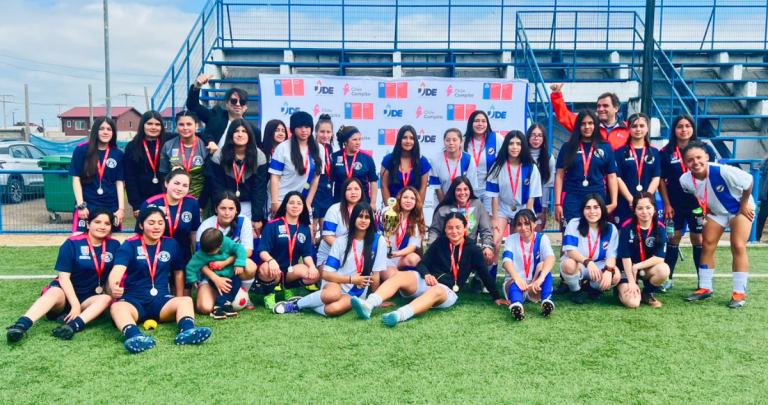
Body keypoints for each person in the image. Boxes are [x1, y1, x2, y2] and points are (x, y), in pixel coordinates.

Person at [348, 212, 509, 326]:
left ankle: (399, 315)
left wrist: (496, 296)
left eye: (458, 227)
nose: (454, 231)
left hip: (446, 291)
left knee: (436, 291)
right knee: (400, 276)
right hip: (426, 282)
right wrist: (426, 275)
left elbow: (484, 273)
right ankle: (369, 304)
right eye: (450, 228)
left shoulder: (473, 249)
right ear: (445, 229)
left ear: (465, 228)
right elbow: (421, 263)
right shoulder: (439, 243)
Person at [6, 209, 120, 343]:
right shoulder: (72, 243)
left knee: (105, 299)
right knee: (54, 291)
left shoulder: (114, 245)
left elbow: (113, 275)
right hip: (65, 295)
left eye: (107, 223)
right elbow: (63, 277)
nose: (102, 226)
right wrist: (75, 305)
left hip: (88, 298)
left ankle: (71, 326)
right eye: (97, 222)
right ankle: (21, 325)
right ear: (88, 224)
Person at [109, 207, 212, 354]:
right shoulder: (129, 245)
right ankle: (136, 337)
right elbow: (117, 270)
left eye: (160, 222)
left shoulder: (171, 244)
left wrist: (179, 296)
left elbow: (178, 273)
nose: (156, 227)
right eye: (151, 223)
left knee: (186, 301)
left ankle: (188, 331)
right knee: (117, 308)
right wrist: (114, 284)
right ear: (141, 225)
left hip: (161, 300)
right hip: (133, 301)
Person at [272, 203, 387, 317]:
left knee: (333, 309)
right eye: (360, 216)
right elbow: (326, 274)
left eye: (367, 217)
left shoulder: (379, 241)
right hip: (335, 282)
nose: (363, 220)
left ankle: (308, 303)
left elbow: (376, 273)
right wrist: (351, 279)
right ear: (353, 218)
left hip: (356, 291)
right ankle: (296, 305)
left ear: (371, 220)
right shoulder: (341, 241)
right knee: (333, 295)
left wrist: (375, 299)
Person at [680, 141, 755, 308]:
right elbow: (697, 194)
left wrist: (744, 204)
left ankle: (739, 293)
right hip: (717, 213)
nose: (695, 162)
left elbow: (748, 181)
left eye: (699, 157)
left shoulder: (722, 170)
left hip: (738, 210)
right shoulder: (685, 180)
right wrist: (705, 209)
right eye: (690, 160)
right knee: (706, 244)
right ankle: (705, 288)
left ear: (706, 156)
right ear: (685, 162)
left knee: (737, 245)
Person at [658, 114, 717, 291]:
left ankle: (703, 281)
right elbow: (661, 180)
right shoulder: (666, 152)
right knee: (672, 237)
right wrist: (667, 204)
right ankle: (668, 278)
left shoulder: (706, 149)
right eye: (680, 126)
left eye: (688, 126)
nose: (684, 130)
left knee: (698, 238)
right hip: (674, 204)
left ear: (693, 129)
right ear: (674, 130)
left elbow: (712, 176)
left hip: (698, 203)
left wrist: (709, 203)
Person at [486, 130, 542, 274]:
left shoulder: (531, 167)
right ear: (506, 146)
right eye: (511, 143)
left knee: (520, 240)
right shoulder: (497, 166)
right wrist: (495, 219)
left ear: (523, 146)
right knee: (495, 242)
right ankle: (487, 278)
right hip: (503, 208)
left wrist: (527, 219)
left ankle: (516, 275)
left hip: (524, 208)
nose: (515, 147)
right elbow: (494, 196)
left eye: (518, 143)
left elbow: (532, 197)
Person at [427, 177, 495, 289]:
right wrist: (432, 248)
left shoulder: (477, 205)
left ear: (470, 190)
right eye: (458, 190)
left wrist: (487, 246)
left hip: (469, 250)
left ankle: (478, 280)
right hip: (448, 251)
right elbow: (434, 231)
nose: (462, 193)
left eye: (465, 189)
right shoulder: (444, 208)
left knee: (488, 253)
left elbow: (486, 230)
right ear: (453, 191)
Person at [257, 192, 321, 310]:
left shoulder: (304, 229)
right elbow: (262, 250)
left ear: (303, 207)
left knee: (314, 275)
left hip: (290, 271)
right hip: (273, 268)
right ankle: (269, 295)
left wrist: (312, 267)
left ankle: (288, 288)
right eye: (291, 203)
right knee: (265, 268)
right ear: (285, 205)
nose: (295, 206)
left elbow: (306, 254)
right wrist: (271, 261)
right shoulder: (272, 225)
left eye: (299, 203)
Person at [554, 110, 618, 227]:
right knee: (570, 235)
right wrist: (557, 203)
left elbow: (612, 176)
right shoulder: (567, 147)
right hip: (572, 197)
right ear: (578, 126)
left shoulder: (605, 147)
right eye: (583, 124)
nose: (587, 127)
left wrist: (614, 203)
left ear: (596, 125)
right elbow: (559, 176)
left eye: (590, 123)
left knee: (595, 234)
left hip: (597, 196)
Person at [196, 190, 258, 310]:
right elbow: (200, 260)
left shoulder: (243, 221)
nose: (227, 213)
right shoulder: (206, 226)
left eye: (231, 208)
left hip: (233, 268)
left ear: (236, 210)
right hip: (211, 271)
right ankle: (219, 292)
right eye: (223, 208)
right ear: (216, 209)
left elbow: (248, 251)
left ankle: (243, 292)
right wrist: (216, 279)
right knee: (204, 308)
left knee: (250, 266)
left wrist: (226, 262)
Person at [206, 118, 268, 235]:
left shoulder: (259, 156)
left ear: (249, 134)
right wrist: (224, 209)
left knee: (248, 238)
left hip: (249, 204)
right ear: (230, 134)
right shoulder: (219, 156)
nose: (240, 135)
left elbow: (259, 190)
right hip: (226, 204)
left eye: (244, 131)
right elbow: (217, 188)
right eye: (236, 131)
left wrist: (257, 218)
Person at [559, 194, 620, 304]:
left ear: (602, 209)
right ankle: (576, 291)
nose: (592, 211)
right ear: (583, 210)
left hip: (599, 264)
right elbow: (570, 251)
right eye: (588, 208)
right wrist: (588, 262)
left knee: (616, 276)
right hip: (579, 264)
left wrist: (608, 270)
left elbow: (611, 256)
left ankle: (592, 288)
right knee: (568, 264)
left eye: (596, 207)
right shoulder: (574, 224)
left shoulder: (611, 228)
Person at [137, 168, 200, 270]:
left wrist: (197, 257)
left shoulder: (192, 203)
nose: (180, 188)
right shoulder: (150, 203)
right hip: (155, 256)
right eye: (176, 183)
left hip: (182, 254)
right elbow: (139, 234)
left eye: (185, 185)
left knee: (182, 286)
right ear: (166, 183)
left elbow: (193, 233)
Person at [70, 117, 125, 234]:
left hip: (110, 205)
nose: (105, 132)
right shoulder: (82, 149)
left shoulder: (118, 153)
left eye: (109, 129)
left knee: (111, 244)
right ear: (95, 131)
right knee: (79, 240)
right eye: (101, 129)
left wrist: (121, 209)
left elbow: (120, 183)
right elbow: (76, 179)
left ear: (113, 133)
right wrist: (81, 206)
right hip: (87, 204)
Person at [616, 192, 670, 309]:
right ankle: (619, 290)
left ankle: (647, 293)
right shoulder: (626, 227)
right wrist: (631, 281)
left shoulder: (660, 228)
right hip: (626, 269)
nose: (644, 212)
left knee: (664, 269)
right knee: (633, 303)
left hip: (644, 269)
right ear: (634, 211)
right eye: (640, 208)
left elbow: (660, 258)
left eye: (648, 208)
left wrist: (637, 267)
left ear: (654, 209)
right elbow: (625, 257)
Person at [501, 209, 556, 321]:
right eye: (519, 224)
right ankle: (517, 307)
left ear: (535, 223)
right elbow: (507, 262)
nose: (523, 227)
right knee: (513, 283)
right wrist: (518, 279)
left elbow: (551, 258)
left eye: (527, 223)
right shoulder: (511, 239)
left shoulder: (542, 238)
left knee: (543, 266)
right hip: (515, 284)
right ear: (515, 227)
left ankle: (546, 302)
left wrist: (540, 279)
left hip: (535, 286)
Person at [268, 111, 323, 215]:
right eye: (299, 127)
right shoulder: (283, 148)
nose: (304, 130)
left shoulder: (319, 148)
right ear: (293, 129)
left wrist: (308, 202)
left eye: (307, 127)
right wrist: (275, 202)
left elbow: (316, 177)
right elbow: (274, 177)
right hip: (282, 200)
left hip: (301, 202)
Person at [186, 228, 247, 319]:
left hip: (230, 273)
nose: (208, 254)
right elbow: (191, 266)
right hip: (214, 276)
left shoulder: (227, 243)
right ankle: (217, 308)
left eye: (211, 252)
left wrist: (239, 263)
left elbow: (240, 249)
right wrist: (193, 278)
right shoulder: (203, 252)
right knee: (226, 287)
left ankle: (227, 304)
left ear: (220, 245)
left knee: (237, 282)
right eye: (207, 252)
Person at [187, 73, 257, 152]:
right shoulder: (215, 116)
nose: (238, 104)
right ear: (227, 103)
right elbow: (193, 106)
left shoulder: (253, 130)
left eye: (242, 102)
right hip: (214, 161)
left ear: (246, 106)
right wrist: (197, 86)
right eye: (234, 101)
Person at [613, 113, 661, 227]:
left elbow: (656, 177)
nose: (638, 129)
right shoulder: (619, 152)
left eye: (642, 126)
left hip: (647, 204)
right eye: (634, 126)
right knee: (623, 233)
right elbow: (617, 177)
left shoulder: (654, 152)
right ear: (628, 129)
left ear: (647, 128)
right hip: (625, 201)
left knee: (647, 232)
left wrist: (647, 199)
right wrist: (631, 199)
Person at [549, 83, 629, 150]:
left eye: (605, 106)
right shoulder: (588, 125)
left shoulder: (628, 128)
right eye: (598, 106)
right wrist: (556, 95)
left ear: (616, 109)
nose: (600, 109)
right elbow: (565, 116)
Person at [124, 111, 169, 217]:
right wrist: (136, 205)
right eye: (149, 124)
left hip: (167, 197)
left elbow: (194, 135)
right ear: (142, 125)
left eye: (157, 124)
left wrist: (210, 141)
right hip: (143, 199)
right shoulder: (132, 147)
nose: (154, 127)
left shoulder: (169, 140)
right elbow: (130, 178)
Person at [159, 111, 209, 200]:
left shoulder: (206, 146)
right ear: (177, 126)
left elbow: (209, 178)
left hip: (199, 199)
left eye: (189, 124)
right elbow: (164, 175)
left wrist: (202, 202)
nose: (185, 128)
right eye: (181, 124)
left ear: (196, 126)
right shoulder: (168, 146)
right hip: (174, 198)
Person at [379, 187, 425, 282]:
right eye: (405, 197)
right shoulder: (388, 211)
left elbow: (412, 247)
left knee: (415, 258)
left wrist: (396, 254)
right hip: (384, 257)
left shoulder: (416, 220)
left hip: (400, 257)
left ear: (416, 202)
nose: (408, 201)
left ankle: (406, 278)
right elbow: (378, 233)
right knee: (394, 278)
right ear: (399, 198)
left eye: (412, 198)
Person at [463, 111, 504, 215]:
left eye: (483, 121)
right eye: (476, 121)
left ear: (487, 124)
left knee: (488, 222)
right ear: (471, 123)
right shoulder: (463, 141)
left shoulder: (497, 139)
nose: (480, 124)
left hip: (489, 189)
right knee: (470, 222)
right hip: (469, 189)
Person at [317, 178, 364, 267]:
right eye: (349, 189)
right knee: (335, 278)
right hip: (331, 255)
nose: (353, 192)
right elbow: (328, 236)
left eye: (356, 189)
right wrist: (348, 252)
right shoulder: (334, 209)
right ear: (344, 192)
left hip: (357, 256)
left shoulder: (366, 211)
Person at [381, 125, 431, 204]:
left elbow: (423, 189)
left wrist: (417, 211)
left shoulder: (423, 162)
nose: (408, 141)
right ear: (399, 139)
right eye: (404, 137)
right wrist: (389, 209)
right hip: (393, 207)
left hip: (413, 208)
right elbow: (384, 187)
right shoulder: (389, 160)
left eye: (411, 138)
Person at [331, 125, 378, 207]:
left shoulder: (367, 158)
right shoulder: (335, 157)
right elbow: (330, 181)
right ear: (346, 142)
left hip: (362, 202)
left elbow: (373, 181)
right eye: (354, 140)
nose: (358, 143)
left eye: (359, 139)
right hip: (340, 202)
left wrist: (373, 203)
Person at [430, 128, 478, 203]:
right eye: (448, 140)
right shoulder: (436, 160)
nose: (451, 143)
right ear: (444, 142)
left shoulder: (469, 159)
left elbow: (471, 187)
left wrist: (463, 205)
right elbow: (437, 188)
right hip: (441, 202)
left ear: (461, 142)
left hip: (463, 203)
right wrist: (444, 206)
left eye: (454, 140)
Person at [527, 123, 556, 232]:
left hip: (538, 204)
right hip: (521, 201)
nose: (536, 138)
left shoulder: (549, 158)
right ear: (528, 136)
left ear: (543, 138)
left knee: (537, 236)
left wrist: (543, 210)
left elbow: (547, 185)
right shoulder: (521, 155)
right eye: (533, 135)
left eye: (539, 135)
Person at [313, 114, 336, 241]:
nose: (325, 135)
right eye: (322, 131)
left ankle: (322, 255)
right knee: (313, 226)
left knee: (325, 227)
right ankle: (311, 254)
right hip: (314, 192)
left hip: (327, 193)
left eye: (328, 132)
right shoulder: (312, 148)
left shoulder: (330, 149)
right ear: (316, 131)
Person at [757, 153, 768, 241]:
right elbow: (760, 169)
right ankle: (757, 236)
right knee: (763, 214)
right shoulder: (765, 162)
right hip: (766, 194)